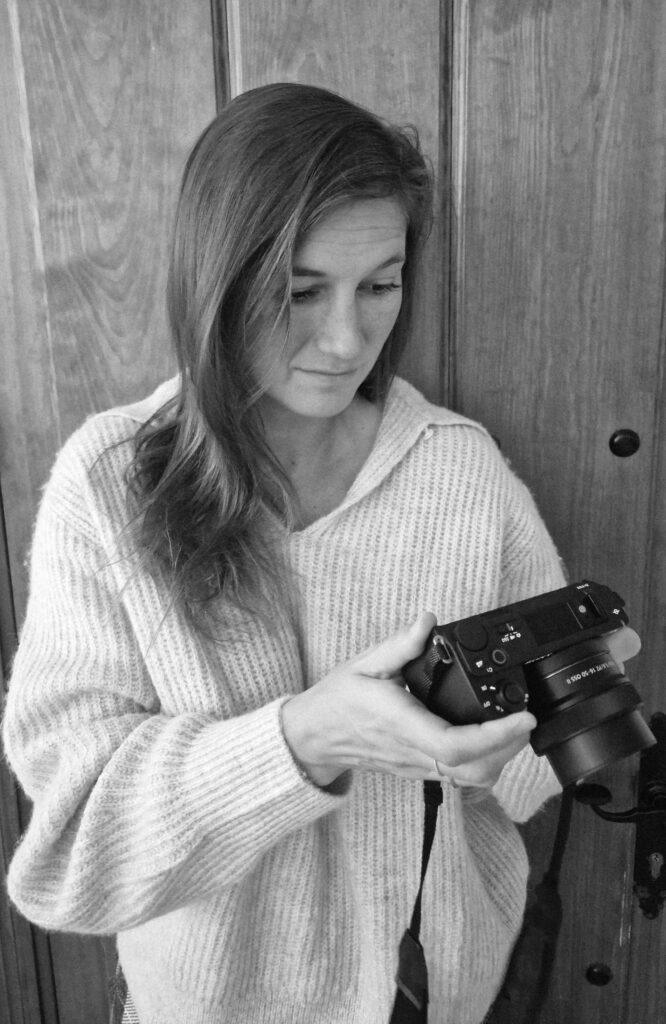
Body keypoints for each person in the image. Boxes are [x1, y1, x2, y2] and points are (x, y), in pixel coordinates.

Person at [1, 83, 637, 1024]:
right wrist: (305, 739)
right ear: (216, 280)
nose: (347, 340)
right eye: (300, 292)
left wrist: (531, 717)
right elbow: (68, 860)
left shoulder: (460, 471)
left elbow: (529, 781)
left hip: (434, 994)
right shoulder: (111, 487)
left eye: (380, 285)